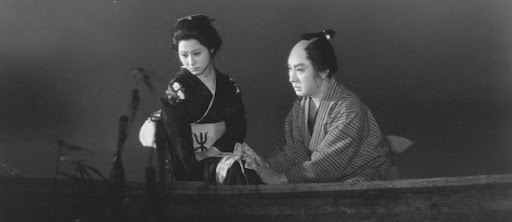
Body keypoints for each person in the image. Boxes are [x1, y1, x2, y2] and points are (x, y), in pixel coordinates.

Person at [243, 29, 394, 184]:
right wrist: (266, 163)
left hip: (366, 179)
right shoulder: (300, 107)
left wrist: (281, 178)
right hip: (327, 179)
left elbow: (328, 163)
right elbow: (293, 154)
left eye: (300, 70)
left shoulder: (348, 108)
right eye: (290, 69)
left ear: (323, 71)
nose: (291, 78)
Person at [139, 14, 259, 184]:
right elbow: (179, 138)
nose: (190, 62)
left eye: (196, 53)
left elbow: (238, 128)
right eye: (184, 55)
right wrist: (195, 164)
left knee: (246, 173)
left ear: (211, 49)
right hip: (188, 163)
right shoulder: (178, 88)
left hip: (221, 153)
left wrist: (211, 152)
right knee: (231, 175)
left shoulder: (229, 85)